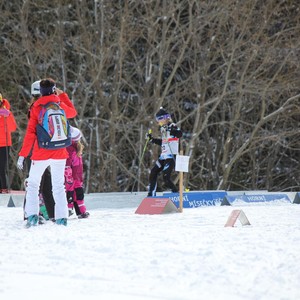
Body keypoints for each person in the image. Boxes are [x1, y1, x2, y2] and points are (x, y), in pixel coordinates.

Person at [17, 78, 77, 227]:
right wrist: (62, 96)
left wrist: (23, 154)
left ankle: (32, 217)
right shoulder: (60, 105)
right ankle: (62, 218)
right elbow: (73, 112)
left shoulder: (36, 107)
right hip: (60, 152)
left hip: (41, 152)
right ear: (54, 89)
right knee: (59, 186)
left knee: (33, 184)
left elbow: (31, 133)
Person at [23, 80, 55, 222]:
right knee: (36, 183)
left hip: (42, 150)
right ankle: (28, 212)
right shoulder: (36, 107)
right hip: (35, 151)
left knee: (45, 183)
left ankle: (53, 212)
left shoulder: (39, 106)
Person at [146, 107, 182, 197]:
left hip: (171, 156)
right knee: (153, 172)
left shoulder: (172, 125)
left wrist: (171, 130)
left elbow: (179, 134)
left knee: (166, 177)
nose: (159, 122)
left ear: (165, 118)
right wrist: (152, 139)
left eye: (159, 119)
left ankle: (176, 194)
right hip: (163, 156)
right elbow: (163, 142)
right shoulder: (163, 129)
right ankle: (151, 193)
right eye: (157, 120)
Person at [65, 126, 89, 219]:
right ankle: (76, 211)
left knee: (74, 192)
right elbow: (71, 164)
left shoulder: (72, 148)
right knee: (75, 192)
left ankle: (77, 211)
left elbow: (72, 163)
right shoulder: (73, 148)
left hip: (74, 175)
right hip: (74, 175)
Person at [0, 93, 17, 193]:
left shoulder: (6, 112)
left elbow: (12, 128)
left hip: (4, 144)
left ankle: (4, 187)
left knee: (2, 167)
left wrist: (8, 115)